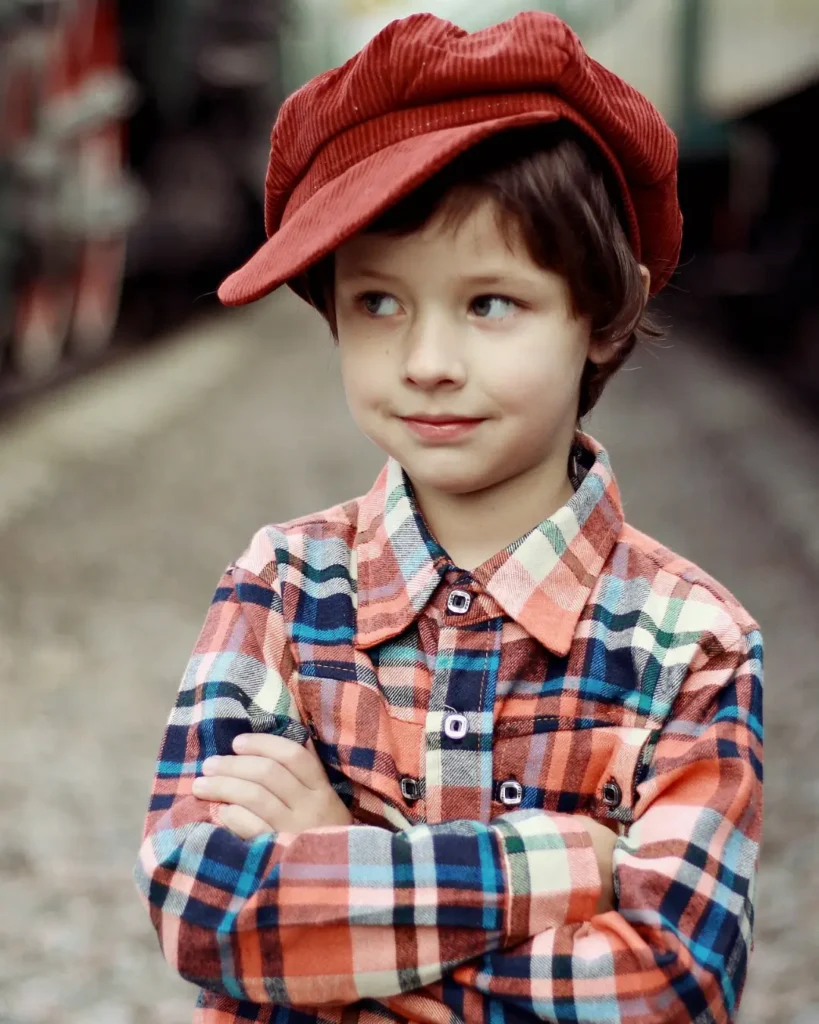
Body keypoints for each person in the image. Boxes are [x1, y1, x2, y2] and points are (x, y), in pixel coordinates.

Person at [134, 12, 763, 1024]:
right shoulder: (282, 585)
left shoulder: (692, 642)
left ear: (604, 316)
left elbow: (670, 989)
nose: (426, 360)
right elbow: (205, 911)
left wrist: (342, 869)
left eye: (489, 303)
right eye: (380, 302)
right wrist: (566, 870)